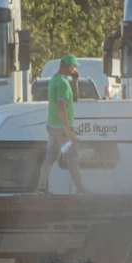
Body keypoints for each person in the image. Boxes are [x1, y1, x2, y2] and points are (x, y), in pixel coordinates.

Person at [36, 54, 90, 195]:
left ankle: (41, 188)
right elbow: (62, 108)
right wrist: (68, 131)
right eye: (74, 66)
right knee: (73, 158)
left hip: (53, 126)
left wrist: (75, 80)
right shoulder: (62, 84)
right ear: (69, 66)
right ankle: (80, 189)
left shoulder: (56, 79)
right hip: (61, 129)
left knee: (50, 157)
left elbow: (74, 100)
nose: (75, 68)